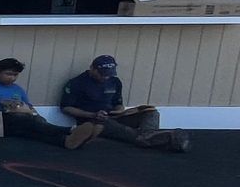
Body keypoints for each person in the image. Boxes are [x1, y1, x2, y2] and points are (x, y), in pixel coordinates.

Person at [60, 54, 190, 153]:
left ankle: (149, 137)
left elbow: (118, 103)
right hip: (94, 121)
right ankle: (163, 139)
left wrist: (120, 110)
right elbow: (66, 108)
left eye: (108, 75)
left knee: (151, 113)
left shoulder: (115, 82)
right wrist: (93, 114)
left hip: (114, 116)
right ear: (92, 69)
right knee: (121, 130)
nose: (105, 77)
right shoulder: (77, 83)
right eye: (102, 74)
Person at [0, 59, 100, 151]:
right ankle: (68, 130)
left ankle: (66, 141)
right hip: (0, 119)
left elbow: (29, 105)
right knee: (29, 123)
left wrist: (30, 111)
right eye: (8, 74)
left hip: (22, 120)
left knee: (33, 131)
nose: (11, 78)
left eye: (15, 75)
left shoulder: (18, 89)